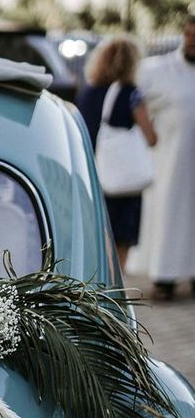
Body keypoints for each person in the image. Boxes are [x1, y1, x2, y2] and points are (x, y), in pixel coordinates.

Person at [127, 16, 195, 300]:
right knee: (171, 214)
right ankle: (164, 277)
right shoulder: (159, 69)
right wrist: (148, 134)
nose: (192, 40)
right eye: (189, 34)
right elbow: (132, 98)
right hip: (172, 159)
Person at [77, 37, 157, 272]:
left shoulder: (88, 92)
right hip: (122, 179)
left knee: (99, 234)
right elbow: (152, 137)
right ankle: (116, 289)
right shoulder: (131, 94)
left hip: (92, 173)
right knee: (121, 236)